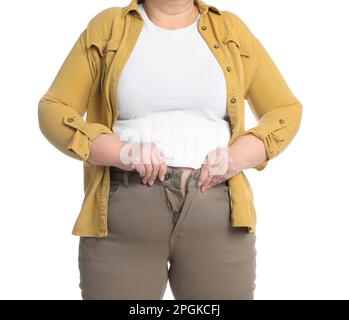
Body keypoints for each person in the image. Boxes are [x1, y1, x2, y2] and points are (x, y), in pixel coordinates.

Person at [38, 0, 302, 300]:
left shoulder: (231, 30)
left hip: (218, 212)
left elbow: (286, 110)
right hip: (124, 212)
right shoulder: (108, 27)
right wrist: (121, 152)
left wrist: (238, 156)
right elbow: (54, 109)